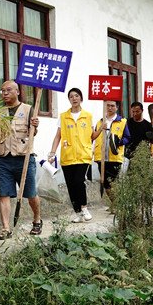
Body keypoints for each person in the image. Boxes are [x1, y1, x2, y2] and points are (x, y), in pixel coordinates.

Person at [0, 80, 42, 239]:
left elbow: (33, 133)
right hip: (4, 159)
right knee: (4, 194)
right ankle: (6, 228)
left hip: (24, 158)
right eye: (2, 91)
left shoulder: (27, 109)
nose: (5, 93)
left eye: (8, 90)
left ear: (17, 92)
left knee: (30, 193)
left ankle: (37, 219)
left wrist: (35, 125)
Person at [48, 88, 93, 223]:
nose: (74, 98)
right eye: (71, 96)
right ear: (69, 100)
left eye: (76, 96)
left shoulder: (88, 116)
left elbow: (92, 136)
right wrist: (52, 152)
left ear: (81, 98)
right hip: (67, 156)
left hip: (83, 155)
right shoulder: (63, 116)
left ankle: (84, 208)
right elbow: (58, 136)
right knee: (71, 185)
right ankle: (77, 213)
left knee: (79, 181)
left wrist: (101, 129)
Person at [91, 100, 131, 204]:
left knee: (112, 182)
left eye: (112, 106)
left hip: (114, 157)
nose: (110, 108)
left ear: (117, 107)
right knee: (104, 182)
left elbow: (127, 137)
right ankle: (115, 204)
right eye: (108, 105)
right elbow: (94, 138)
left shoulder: (122, 122)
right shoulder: (100, 122)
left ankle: (117, 204)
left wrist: (119, 142)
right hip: (101, 157)